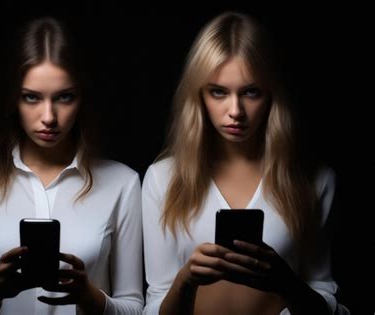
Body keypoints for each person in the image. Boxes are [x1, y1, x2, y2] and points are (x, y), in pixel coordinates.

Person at [142, 11, 349, 315]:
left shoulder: (315, 180)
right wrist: (186, 279)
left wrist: (286, 283)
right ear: (198, 96)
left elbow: (325, 298)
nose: (235, 110)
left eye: (251, 92)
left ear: (270, 95)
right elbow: (155, 305)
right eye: (218, 92)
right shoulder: (163, 179)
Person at [0, 17, 143, 315]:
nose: (49, 116)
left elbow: (134, 306)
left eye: (64, 97)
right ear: (14, 99)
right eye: (31, 98)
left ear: (81, 98)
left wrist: (91, 298)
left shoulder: (123, 184)